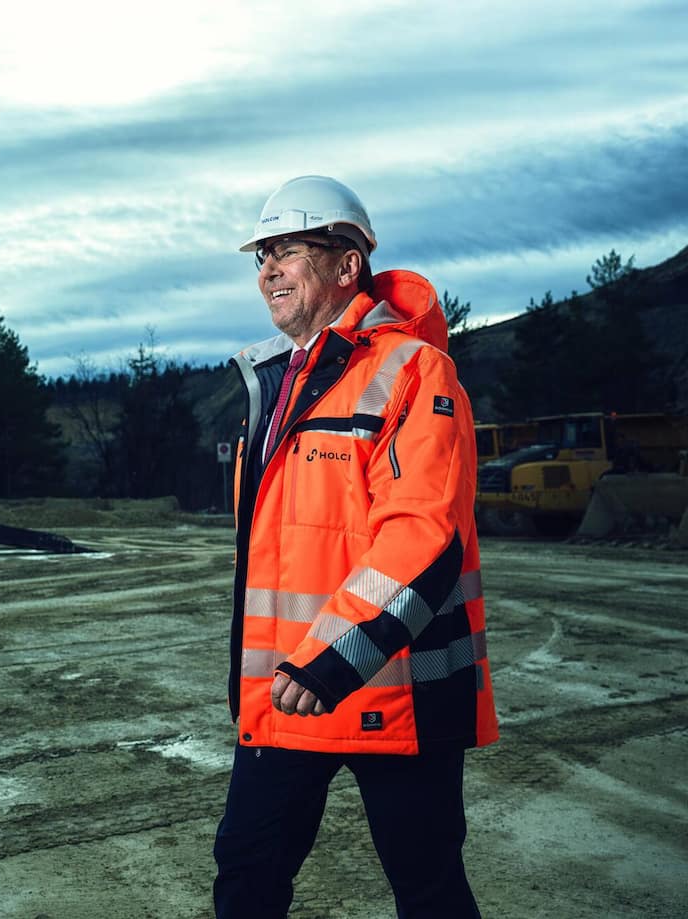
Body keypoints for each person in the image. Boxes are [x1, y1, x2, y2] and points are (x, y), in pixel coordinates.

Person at [213, 175, 499, 919]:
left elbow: (423, 532)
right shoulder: (276, 383)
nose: (267, 270)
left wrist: (334, 653)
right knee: (245, 873)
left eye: (288, 252)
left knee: (427, 885)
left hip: (393, 689)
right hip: (287, 690)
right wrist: (302, 665)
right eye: (261, 256)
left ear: (346, 267)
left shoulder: (414, 372)